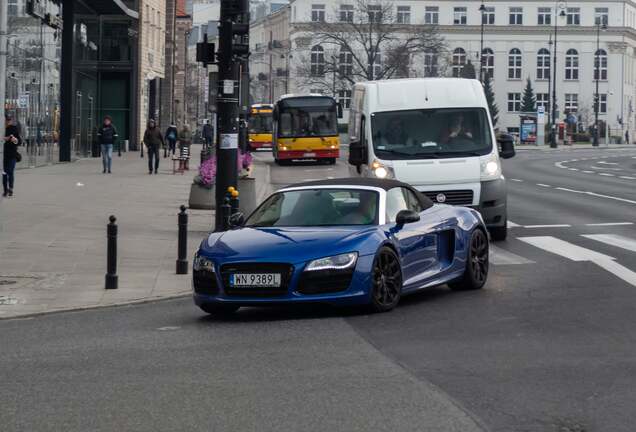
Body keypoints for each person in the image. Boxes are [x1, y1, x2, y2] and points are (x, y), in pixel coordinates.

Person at [3, 115, 22, 197]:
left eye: (9, 120)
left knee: (10, 171)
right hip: (3, 155)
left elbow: (19, 141)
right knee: (4, 173)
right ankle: (5, 190)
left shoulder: (13, 129)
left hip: (12, 155)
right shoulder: (2, 129)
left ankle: (10, 188)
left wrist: (14, 140)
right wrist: (4, 139)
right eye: (6, 120)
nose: (8, 122)